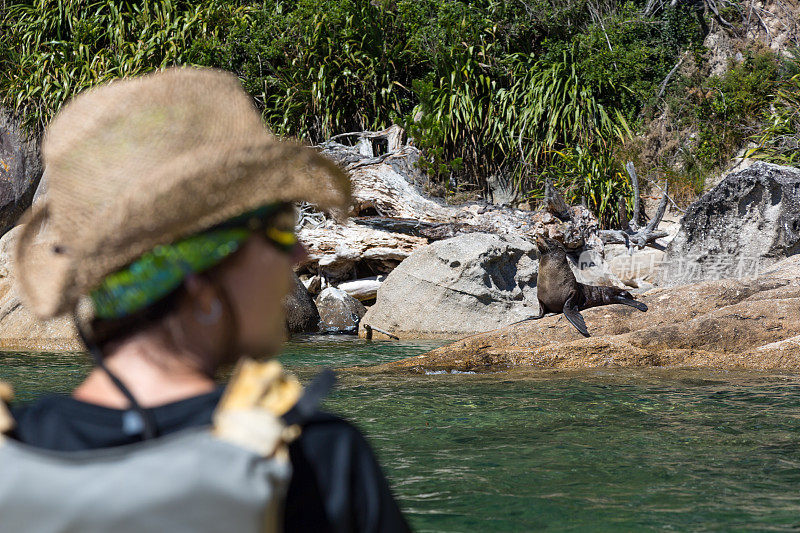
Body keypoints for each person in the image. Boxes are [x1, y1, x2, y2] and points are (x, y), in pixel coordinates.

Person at [1, 67, 410, 532]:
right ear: (198, 280)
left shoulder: (11, 451)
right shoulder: (317, 463)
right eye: (278, 228)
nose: (299, 252)